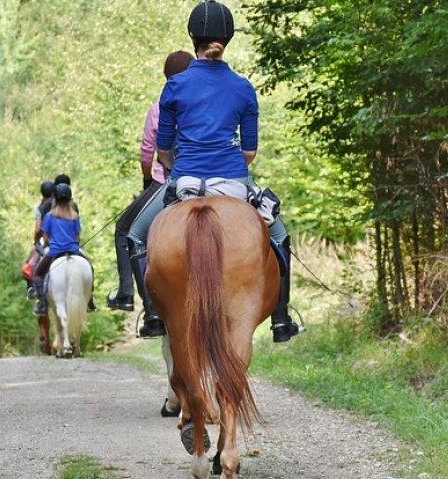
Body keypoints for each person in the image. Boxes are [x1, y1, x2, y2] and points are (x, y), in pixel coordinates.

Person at [127, 0, 301, 342]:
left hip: (185, 180)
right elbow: (249, 152)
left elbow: (163, 150)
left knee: (135, 234)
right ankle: (281, 319)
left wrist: (179, 168)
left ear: (193, 37)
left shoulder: (175, 85)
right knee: (279, 236)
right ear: (228, 38)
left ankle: (152, 315)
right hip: (234, 181)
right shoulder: (242, 87)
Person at [106, 50, 194, 339]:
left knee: (126, 231)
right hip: (213, 177)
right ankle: (279, 313)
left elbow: (149, 152)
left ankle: (137, 302)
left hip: (168, 181)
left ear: (167, 77)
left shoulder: (159, 108)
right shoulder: (203, 104)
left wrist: (148, 178)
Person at [32, 183, 95, 316]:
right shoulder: (74, 216)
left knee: (37, 274)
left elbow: (46, 237)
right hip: (74, 250)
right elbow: (77, 238)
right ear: (70, 198)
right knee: (90, 268)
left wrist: (53, 243)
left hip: (54, 251)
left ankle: (42, 304)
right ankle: (90, 300)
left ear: (54, 197)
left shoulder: (49, 216)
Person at [23, 180, 56, 300]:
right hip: (64, 239)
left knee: (30, 264)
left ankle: (32, 289)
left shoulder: (41, 209)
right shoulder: (61, 206)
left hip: (46, 239)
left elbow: (37, 229)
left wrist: (36, 242)